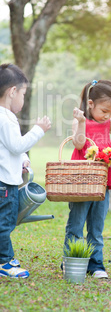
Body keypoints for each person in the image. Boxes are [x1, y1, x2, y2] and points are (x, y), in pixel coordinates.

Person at [63, 79, 111, 279]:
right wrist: (82, 122)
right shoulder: (80, 121)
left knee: (97, 225)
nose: (107, 116)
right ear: (90, 104)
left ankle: (96, 264)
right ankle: (71, 261)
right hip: (82, 181)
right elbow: (78, 143)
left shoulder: (108, 122)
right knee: (76, 224)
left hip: (102, 181)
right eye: (104, 111)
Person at [0, 63, 51, 278]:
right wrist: (38, 130)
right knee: (5, 223)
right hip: (4, 184)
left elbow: (8, 147)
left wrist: (22, 159)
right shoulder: (6, 117)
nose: (23, 98)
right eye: (23, 93)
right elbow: (17, 145)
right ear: (13, 92)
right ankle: (5, 263)